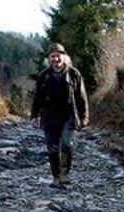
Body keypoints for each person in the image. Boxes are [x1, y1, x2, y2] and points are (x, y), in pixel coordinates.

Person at [30, 43, 89, 187]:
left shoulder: (74, 74)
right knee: (53, 147)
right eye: (52, 56)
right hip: (49, 117)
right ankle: (55, 177)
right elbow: (37, 97)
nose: (55, 59)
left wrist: (84, 116)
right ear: (49, 59)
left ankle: (64, 175)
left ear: (64, 57)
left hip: (69, 115)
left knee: (67, 145)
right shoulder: (44, 76)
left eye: (58, 56)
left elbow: (82, 97)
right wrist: (34, 115)